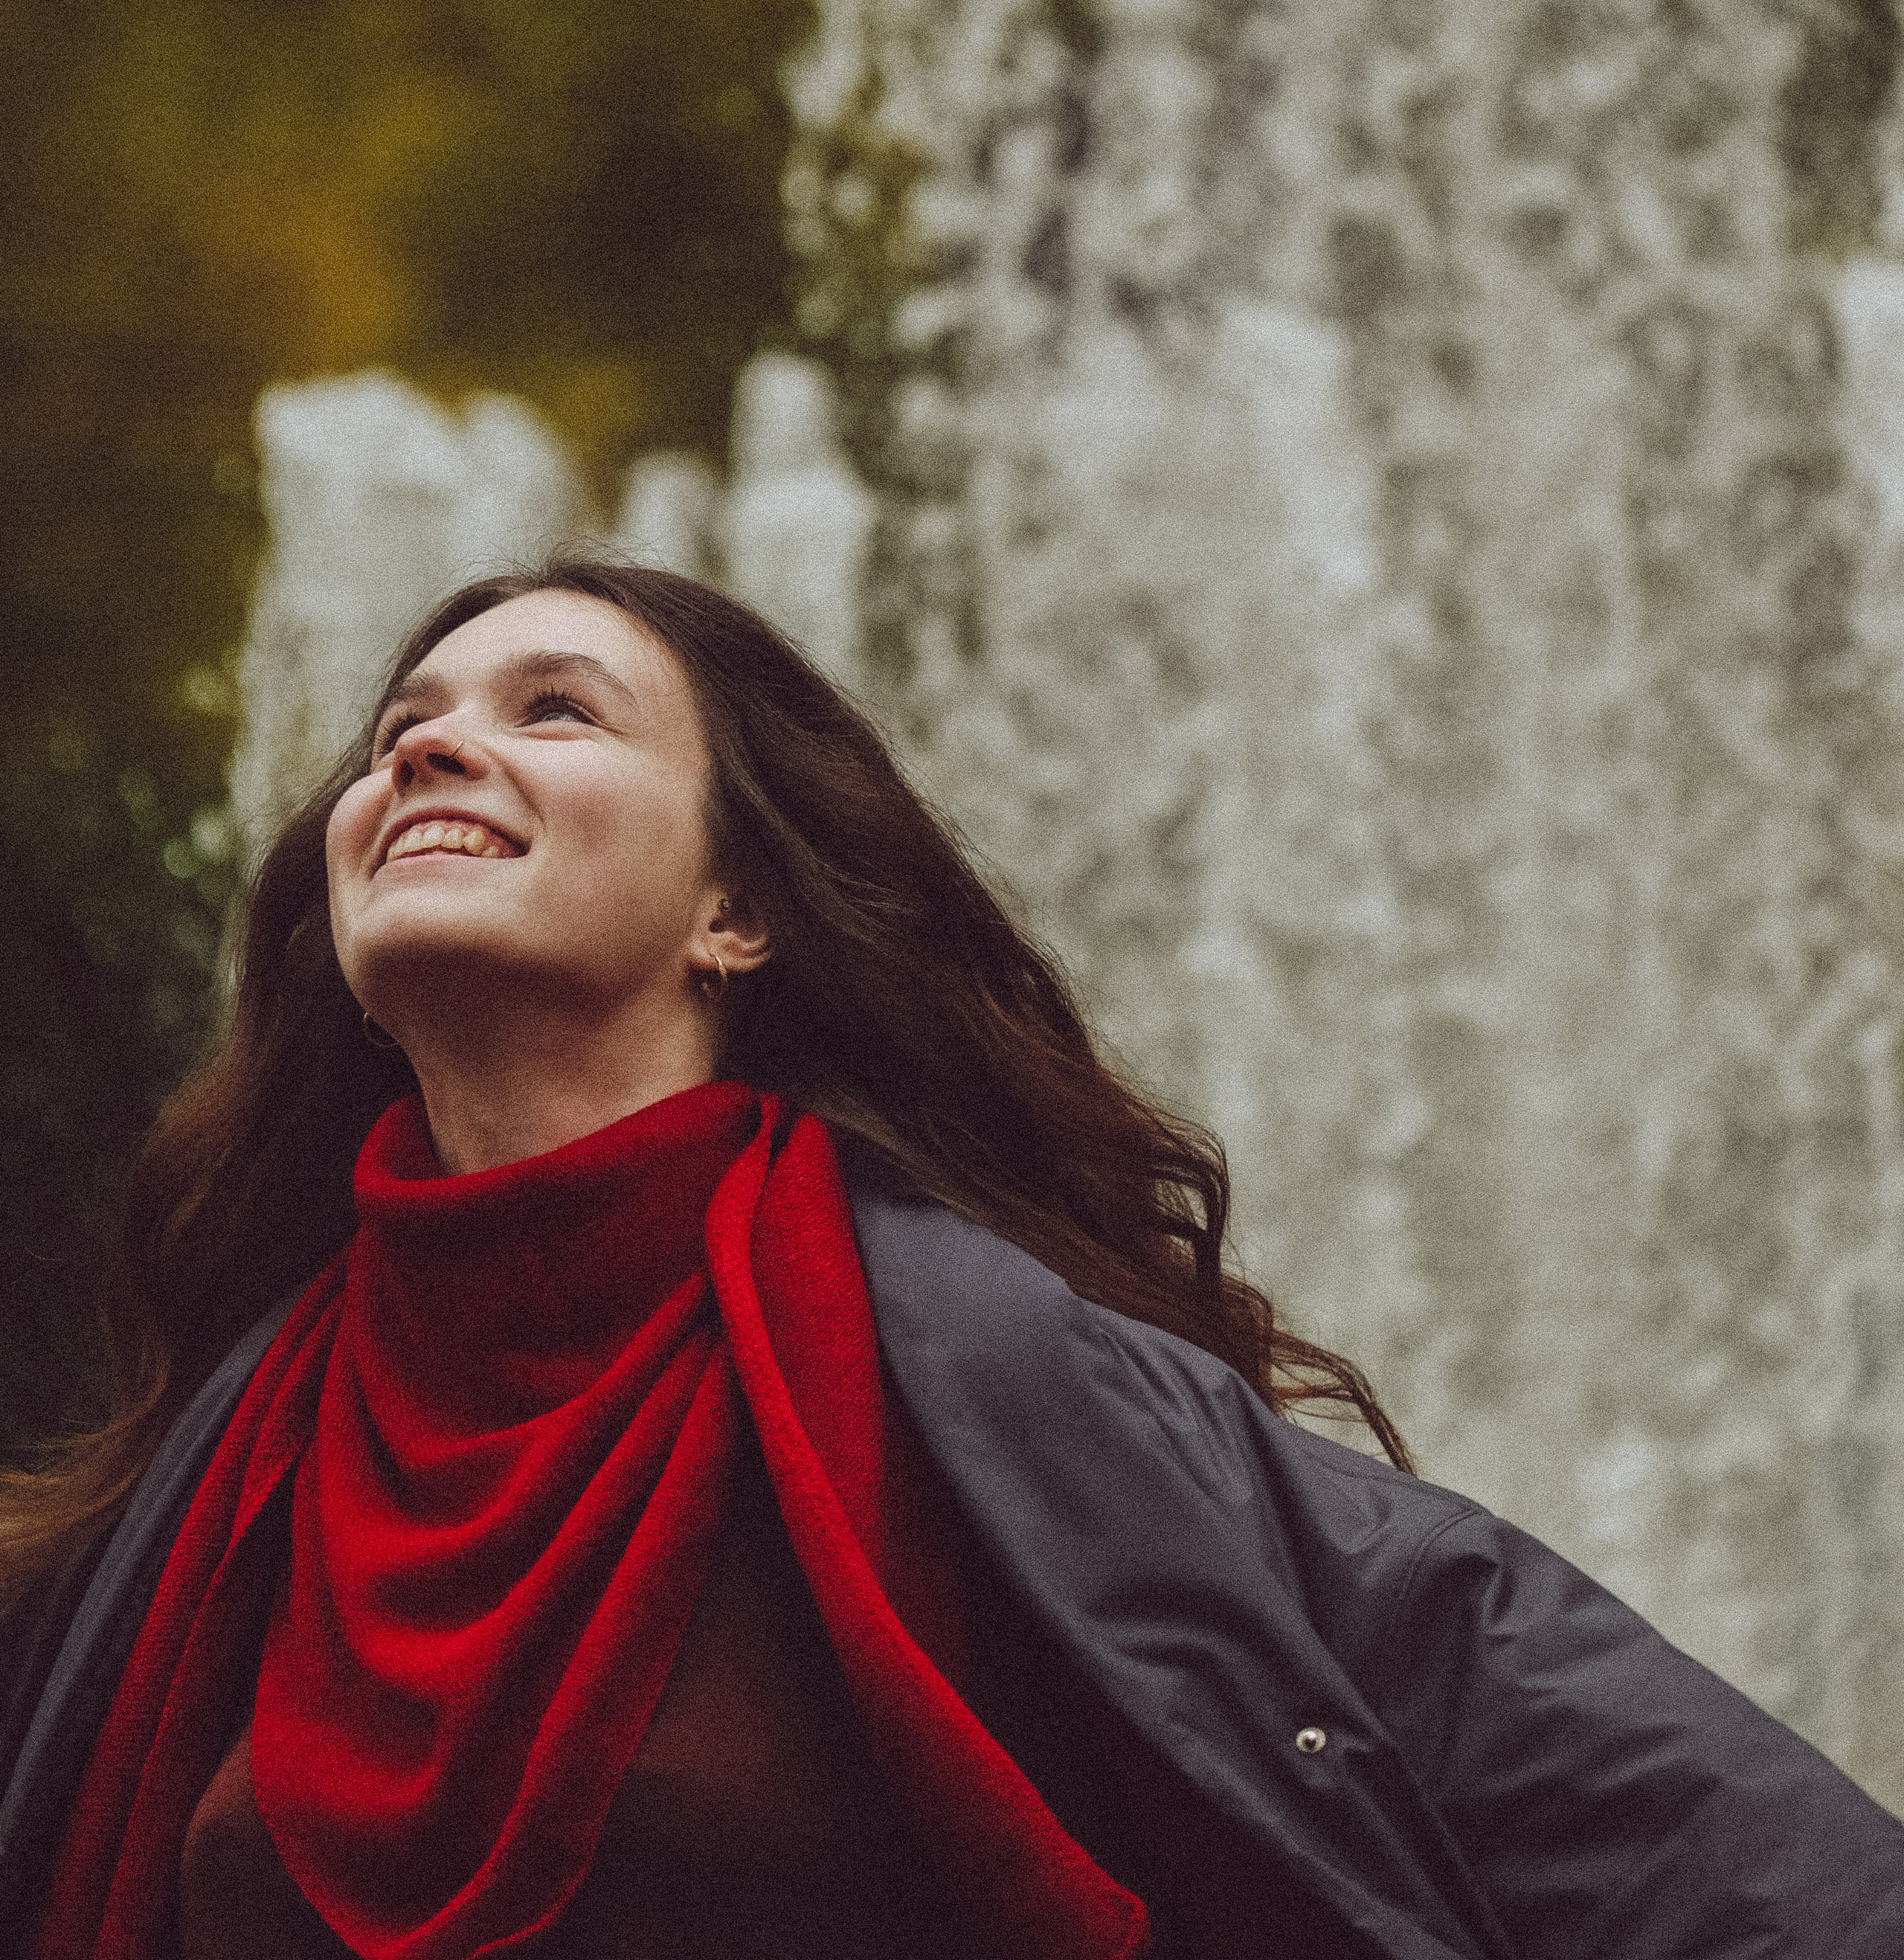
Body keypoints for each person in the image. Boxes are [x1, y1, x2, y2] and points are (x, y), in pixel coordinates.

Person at [1, 557, 1901, 1960]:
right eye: (402, 725)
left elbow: (1672, 1828)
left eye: (551, 709)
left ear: (735, 912)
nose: (430, 742)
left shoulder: (999, 1384)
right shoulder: (189, 1507)